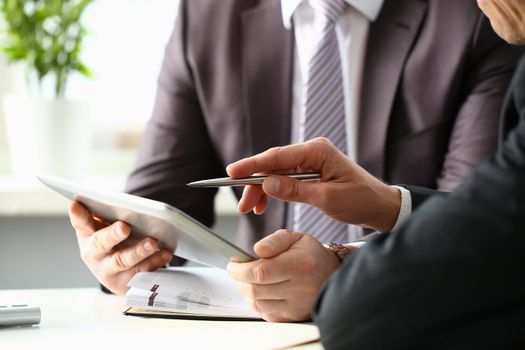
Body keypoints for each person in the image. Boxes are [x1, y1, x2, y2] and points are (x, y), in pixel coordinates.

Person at [68, 0, 522, 295]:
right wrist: (124, 253)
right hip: (255, 322)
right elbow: (160, 204)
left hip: (411, 319)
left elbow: (481, 228)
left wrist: (343, 268)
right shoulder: (208, 15)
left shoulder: (488, 14)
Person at [227, 0, 525, 346]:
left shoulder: (470, 25)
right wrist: (389, 205)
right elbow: (502, 216)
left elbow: (357, 314)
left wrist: (337, 272)